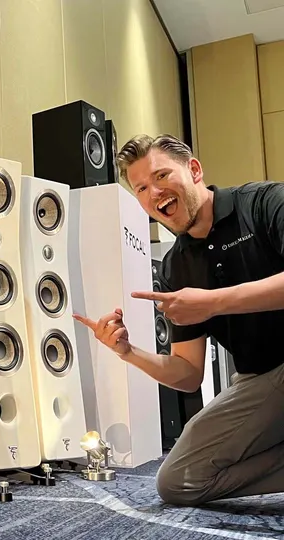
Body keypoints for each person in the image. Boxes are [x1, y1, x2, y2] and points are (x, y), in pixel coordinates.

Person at [73, 133, 284, 507]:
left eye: (161, 176)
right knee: (178, 481)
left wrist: (213, 302)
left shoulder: (264, 203)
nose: (154, 192)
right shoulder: (176, 267)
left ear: (195, 170)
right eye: (141, 188)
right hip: (260, 380)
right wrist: (127, 352)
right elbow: (188, 373)